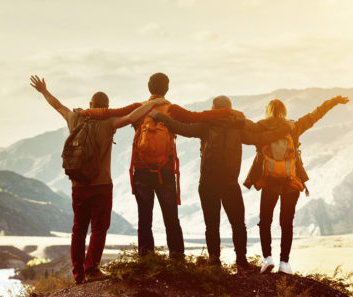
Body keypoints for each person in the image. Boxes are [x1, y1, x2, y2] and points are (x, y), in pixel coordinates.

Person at [80, 73, 235, 258]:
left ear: (148, 87)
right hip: (166, 171)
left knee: (144, 219)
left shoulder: (139, 108)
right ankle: (177, 259)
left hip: (141, 170)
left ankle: (146, 260)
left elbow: (109, 113)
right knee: (171, 217)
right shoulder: (173, 109)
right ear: (167, 88)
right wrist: (230, 112)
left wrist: (84, 112)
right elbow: (199, 116)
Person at [30, 74, 167, 283]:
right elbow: (131, 117)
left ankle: (78, 274)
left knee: (78, 229)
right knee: (99, 228)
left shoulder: (75, 119)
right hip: (101, 185)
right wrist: (154, 103)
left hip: (78, 185)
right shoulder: (109, 123)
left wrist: (44, 91)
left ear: (90, 104)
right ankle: (92, 268)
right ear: (107, 107)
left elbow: (57, 105)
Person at [149, 95, 293, 271]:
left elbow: (182, 128)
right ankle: (241, 262)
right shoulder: (237, 128)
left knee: (212, 225)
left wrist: (160, 116)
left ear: (213, 108)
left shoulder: (206, 126)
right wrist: (284, 129)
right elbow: (262, 138)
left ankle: (214, 262)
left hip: (208, 182)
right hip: (230, 183)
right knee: (238, 224)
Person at [244, 95, 349, 275]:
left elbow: (242, 127)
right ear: (284, 112)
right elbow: (315, 115)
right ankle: (284, 262)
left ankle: (267, 258)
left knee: (265, 221)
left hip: (269, 182)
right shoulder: (293, 127)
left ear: (268, 112)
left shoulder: (260, 127)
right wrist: (332, 101)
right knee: (287, 223)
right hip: (291, 183)